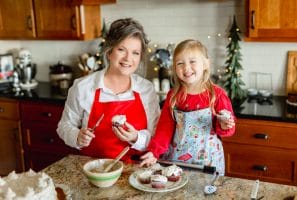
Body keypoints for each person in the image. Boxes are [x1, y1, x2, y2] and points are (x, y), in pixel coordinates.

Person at [57, 18, 160, 163]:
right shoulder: (83, 87)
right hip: (94, 171)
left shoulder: (146, 89)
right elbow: (64, 126)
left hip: (135, 172)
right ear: (109, 51)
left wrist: (136, 137)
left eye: (135, 53)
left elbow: (157, 136)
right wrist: (76, 136)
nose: (128, 58)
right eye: (121, 49)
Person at [140, 39, 236, 175]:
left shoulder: (217, 94)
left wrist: (225, 125)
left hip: (208, 160)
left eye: (192, 61)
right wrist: (154, 152)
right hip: (177, 159)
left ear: (205, 64)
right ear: (174, 68)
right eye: (180, 63)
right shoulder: (173, 95)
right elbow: (164, 128)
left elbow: (227, 128)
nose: (186, 68)